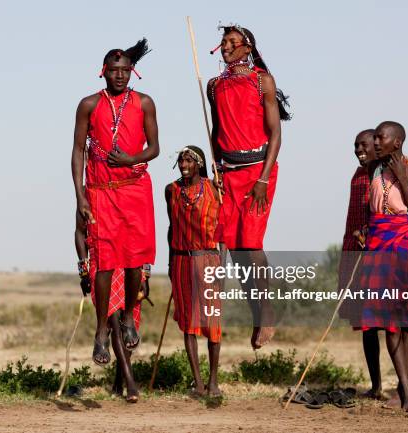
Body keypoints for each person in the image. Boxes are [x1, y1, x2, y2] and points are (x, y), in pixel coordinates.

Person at [71, 39, 159, 364]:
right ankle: (100, 331)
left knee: (136, 260)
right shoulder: (88, 105)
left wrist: (130, 159)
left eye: (125, 71)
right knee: (105, 262)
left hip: (135, 187)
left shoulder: (145, 102)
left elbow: (155, 148)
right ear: (104, 72)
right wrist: (80, 195)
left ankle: (128, 316)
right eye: (114, 71)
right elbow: (78, 150)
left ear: (131, 72)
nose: (120, 76)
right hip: (100, 190)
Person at [207, 23, 290, 349]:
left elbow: (276, 134)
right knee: (230, 246)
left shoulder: (262, 82)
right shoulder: (213, 86)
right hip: (227, 172)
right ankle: (241, 311)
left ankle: (265, 312)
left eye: (231, 42)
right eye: (223, 42)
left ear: (247, 47)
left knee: (250, 245)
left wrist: (263, 179)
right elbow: (216, 130)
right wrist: (214, 167)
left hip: (258, 171)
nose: (225, 47)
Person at [360, 121, 408, 412]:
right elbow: (372, 206)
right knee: (388, 322)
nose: (375, 142)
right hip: (378, 244)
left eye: (380, 137)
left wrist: (401, 176)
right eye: (374, 137)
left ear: (396, 142)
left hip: (407, 245)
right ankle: (406, 390)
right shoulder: (372, 169)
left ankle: (405, 390)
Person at [166, 146, 223, 397]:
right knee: (189, 323)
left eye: (189, 160)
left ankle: (213, 382)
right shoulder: (172, 191)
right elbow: (171, 228)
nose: (183, 165)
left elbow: (224, 231)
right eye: (181, 160)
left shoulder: (215, 188)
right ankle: (198, 383)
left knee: (212, 322)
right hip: (181, 261)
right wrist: (169, 264)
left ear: (199, 164)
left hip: (209, 259)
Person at [74, 212, 146, 402]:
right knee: (113, 319)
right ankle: (131, 384)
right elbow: (80, 233)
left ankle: (118, 381)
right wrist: (83, 271)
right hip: (101, 264)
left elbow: (140, 231)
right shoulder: (87, 195)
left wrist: (144, 271)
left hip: (128, 261)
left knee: (127, 326)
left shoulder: (124, 190)